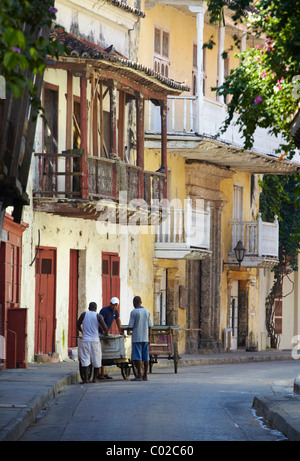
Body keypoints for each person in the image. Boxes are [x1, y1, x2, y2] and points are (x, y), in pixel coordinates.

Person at [77, 302, 108, 383]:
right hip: (95, 341)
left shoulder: (84, 314)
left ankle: (85, 379)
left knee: (85, 359)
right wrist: (106, 333)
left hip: (85, 340)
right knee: (97, 359)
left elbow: (77, 324)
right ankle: (94, 378)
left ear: (88, 307)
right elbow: (105, 328)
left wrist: (82, 331)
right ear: (96, 308)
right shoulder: (98, 316)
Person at [126, 296, 153, 382]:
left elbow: (131, 326)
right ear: (141, 302)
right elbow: (150, 326)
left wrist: (124, 329)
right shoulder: (147, 312)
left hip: (137, 338)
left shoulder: (134, 312)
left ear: (134, 302)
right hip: (145, 337)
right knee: (146, 357)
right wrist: (149, 338)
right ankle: (145, 375)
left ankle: (139, 376)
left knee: (138, 357)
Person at [99, 297, 123, 380]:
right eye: (112, 305)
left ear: (117, 305)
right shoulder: (104, 310)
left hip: (105, 333)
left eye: (115, 305)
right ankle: (100, 373)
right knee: (101, 352)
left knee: (104, 352)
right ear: (110, 304)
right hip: (100, 333)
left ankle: (102, 373)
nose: (113, 306)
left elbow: (118, 320)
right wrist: (104, 331)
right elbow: (99, 322)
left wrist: (120, 330)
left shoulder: (115, 312)